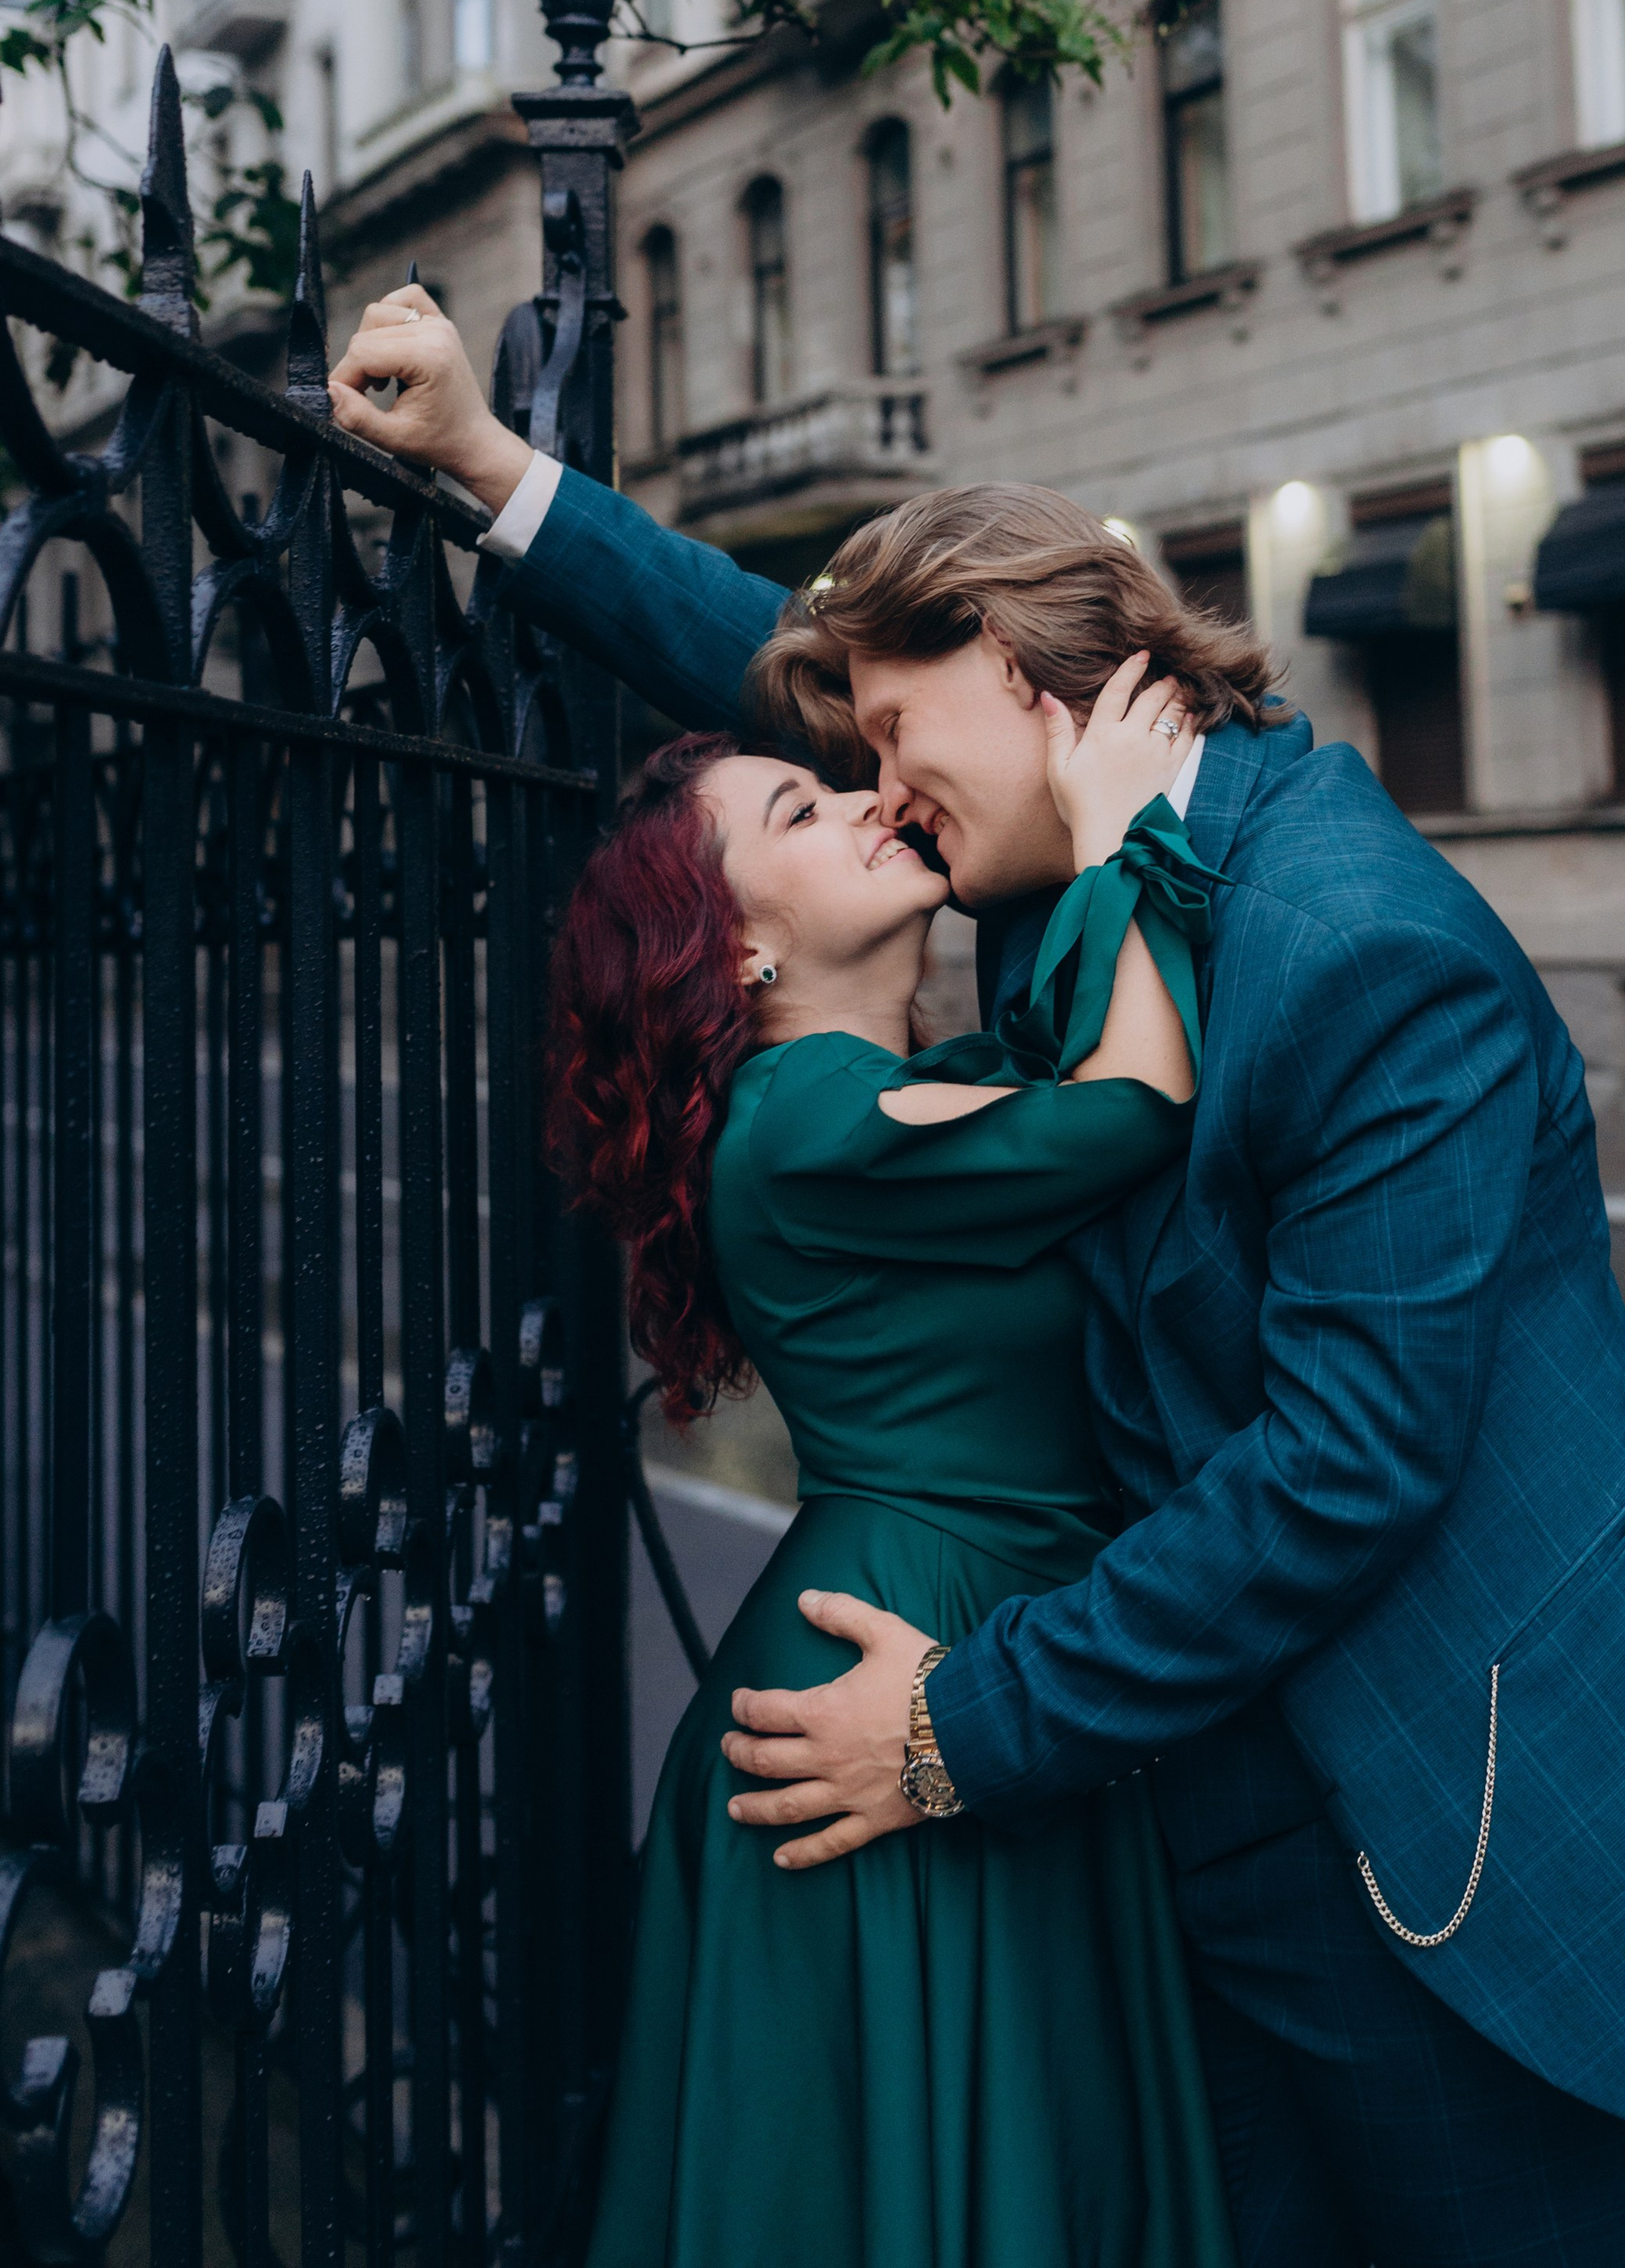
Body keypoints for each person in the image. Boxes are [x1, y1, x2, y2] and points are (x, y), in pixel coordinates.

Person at [331, 288, 1625, 2268]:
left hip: (1484, 1870)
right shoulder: (1076, 852)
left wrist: (957, 1726)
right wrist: (485, 463)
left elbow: (1343, 1469)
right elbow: (776, 688)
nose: (872, 785)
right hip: (1213, 1849)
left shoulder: (1356, 947)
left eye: (889, 739)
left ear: (1015, 670)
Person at [551, 680, 1239, 2267]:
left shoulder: (867, 1092)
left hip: (946, 1636)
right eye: (802, 811)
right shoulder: (799, 1116)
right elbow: (1135, 1108)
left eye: (846, 777)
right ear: (735, 954)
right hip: (896, 1655)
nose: (871, 797)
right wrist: (1129, 828)